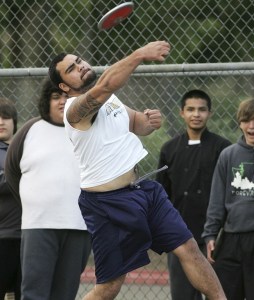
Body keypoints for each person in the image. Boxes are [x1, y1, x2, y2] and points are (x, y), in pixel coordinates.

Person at [48, 41, 226, 300]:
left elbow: (135, 123)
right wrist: (140, 54)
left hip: (144, 191)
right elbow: (106, 85)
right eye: (72, 69)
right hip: (107, 204)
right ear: (64, 86)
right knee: (109, 286)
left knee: (188, 248)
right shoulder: (75, 111)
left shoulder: (110, 99)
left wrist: (148, 121)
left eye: (79, 61)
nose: (81, 66)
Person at [5, 78, 91, 300]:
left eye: (68, 96)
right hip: (38, 226)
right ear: (46, 101)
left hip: (79, 226)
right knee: (34, 293)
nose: (63, 101)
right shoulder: (29, 130)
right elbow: (13, 172)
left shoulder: (89, 131)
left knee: (64, 294)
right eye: (56, 97)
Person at [156, 90, 231, 300]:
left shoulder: (223, 148)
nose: (196, 114)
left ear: (209, 113)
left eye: (201, 109)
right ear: (181, 113)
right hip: (180, 235)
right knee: (182, 294)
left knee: (219, 293)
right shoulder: (169, 149)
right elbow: (162, 196)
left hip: (216, 237)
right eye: (190, 109)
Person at [202, 98, 254, 300]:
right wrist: (210, 234)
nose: (252, 126)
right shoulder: (228, 155)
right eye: (247, 120)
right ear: (240, 123)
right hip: (232, 239)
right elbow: (216, 200)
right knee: (223, 293)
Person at [0, 97, 21, 300]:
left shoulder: (24, 149)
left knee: (22, 293)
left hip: (28, 235)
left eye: (5, 117)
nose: (0, 122)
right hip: (3, 236)